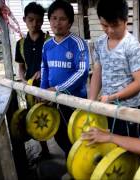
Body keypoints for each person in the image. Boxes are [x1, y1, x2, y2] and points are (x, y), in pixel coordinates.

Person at [89, 0, 140, 137]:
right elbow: (97, 72)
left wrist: (113, 97)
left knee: (127, 151)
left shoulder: (133, 47)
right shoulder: (99, 43)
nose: (109, 30)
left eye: (115, 25)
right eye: (104, 25)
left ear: (126, 21)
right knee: (110, 144)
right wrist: (91, 101)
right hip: (107, 107)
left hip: (129, 111)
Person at [40, 0, 89, 156]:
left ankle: (82, 170)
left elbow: (82, 72)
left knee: (79, 137)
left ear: (70, 22)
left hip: (74, 102)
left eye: (62, 19)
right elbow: (44, 69)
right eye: (54, 18)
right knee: (60, 136)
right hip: (52, 100)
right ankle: (72, 166)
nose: (57, 23)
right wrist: (43, 92)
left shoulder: (78, 44)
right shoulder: (47, 45)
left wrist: (57, 89)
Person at [14, 2, 50, 159]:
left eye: (38, 20)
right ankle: (45, 151)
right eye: (31, 20)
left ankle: (67, 151)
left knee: (53, 118)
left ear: (42, 21)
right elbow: (21, 67)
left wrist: (44, 73)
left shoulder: (50, 41)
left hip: (49, 88)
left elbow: (55, 66)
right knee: (36, 120)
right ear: (24, 19)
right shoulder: (20, 44)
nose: (34, 24)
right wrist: (23, 81)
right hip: (30, 89)